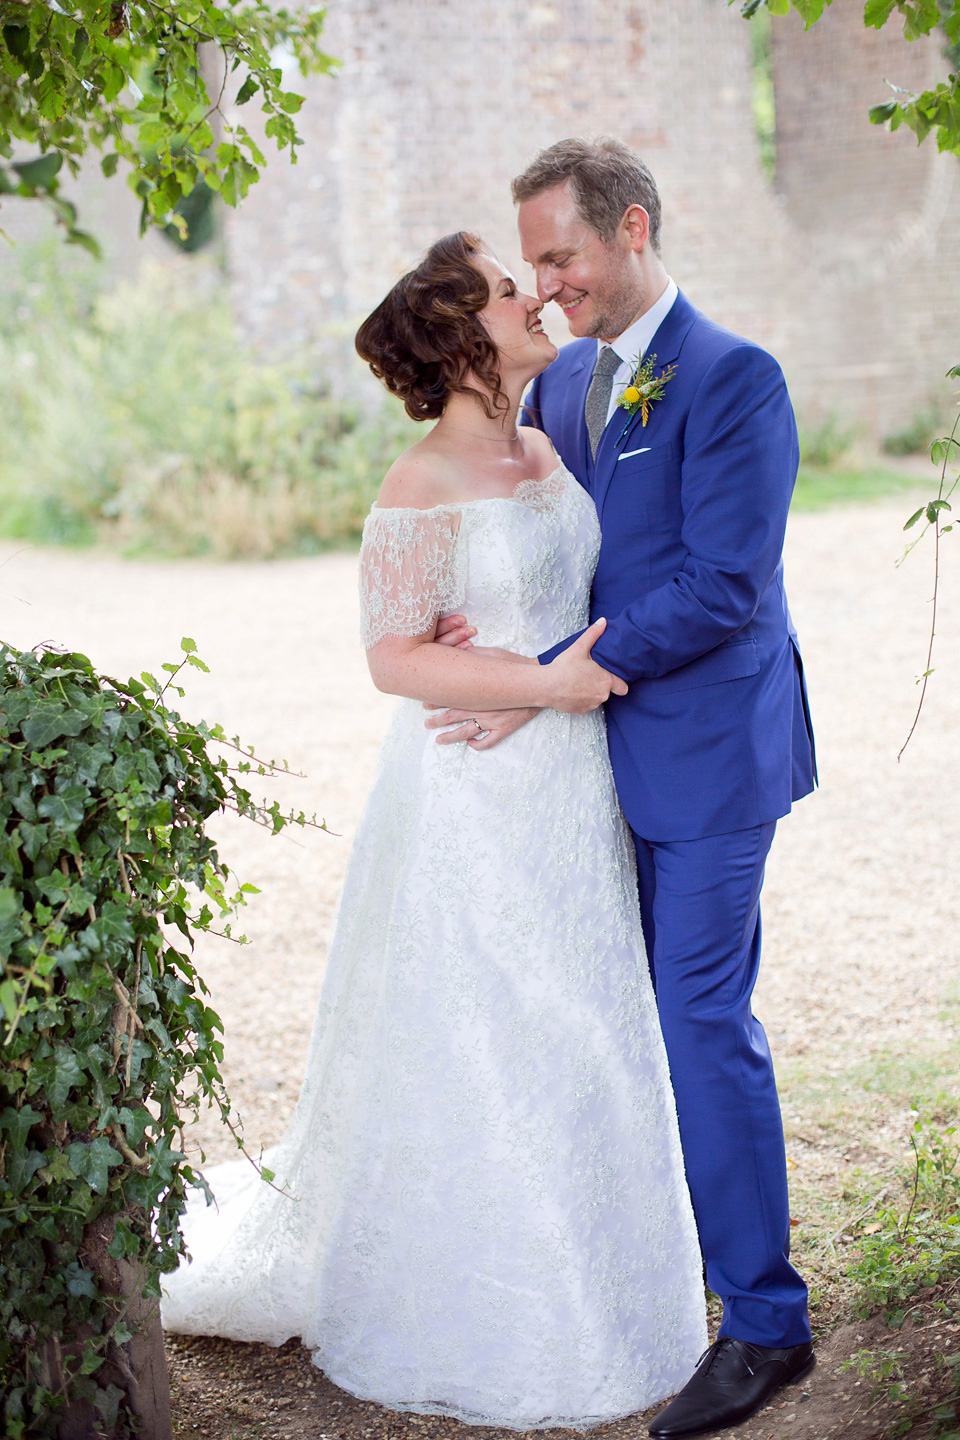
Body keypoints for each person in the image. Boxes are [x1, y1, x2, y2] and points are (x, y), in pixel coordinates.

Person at [160, 230, 707, 1430]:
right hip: (473, 802)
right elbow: (391, 657)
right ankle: (497, 1305)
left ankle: (620, 1286)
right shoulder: (420, 483)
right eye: (510, 292)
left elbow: (586, 601)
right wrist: (532, 685)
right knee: (496, 1031)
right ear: (464, 336)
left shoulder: (550, 439)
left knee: (588, 1023)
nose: (533, 300)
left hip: (566, 779)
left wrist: (537, 682)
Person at [428, 140, 818, 1438]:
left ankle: (767, 1324)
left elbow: (724, 585)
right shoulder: (567, 381)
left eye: (562, 255)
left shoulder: (734, 377)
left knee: (700, 1023)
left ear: (632, 226)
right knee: (609, 1026)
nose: (545, 284)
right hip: (594, 763)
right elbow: (537, 538)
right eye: (530, 260)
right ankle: (636, 1274)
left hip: (709, 754)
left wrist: (542, 673)